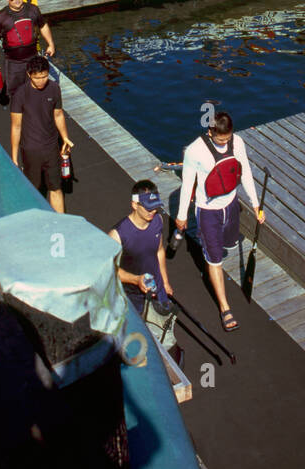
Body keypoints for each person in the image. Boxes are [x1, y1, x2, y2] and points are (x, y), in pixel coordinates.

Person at [174, 111, 265, 333]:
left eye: (227, 139)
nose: (225, 143)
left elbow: (244, 173)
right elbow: (187, 184)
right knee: (215, 259)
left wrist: (255, 205)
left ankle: (209, 251)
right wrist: (182, 214)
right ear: (210, 131)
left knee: (228, 246)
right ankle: (225, 307)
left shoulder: (238, 142)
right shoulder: (195, 150)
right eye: (220, 139)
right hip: (208, 211)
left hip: (231, 205)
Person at [109, 182, 175, 343]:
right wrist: (136, 280)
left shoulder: (158, 220)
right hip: (132, 299)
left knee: (163, 336)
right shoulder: (117, 235)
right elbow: (109, 271)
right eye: (148, 207)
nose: (153, 211)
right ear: (134, 204)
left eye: (155, 207)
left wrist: (165, 282)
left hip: (157, 291)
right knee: (137, 340)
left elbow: (159, 250)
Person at [9, 55, 73, 213]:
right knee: (33, 190)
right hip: (31, 149)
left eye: (44, 76)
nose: (41, 81)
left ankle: (60, 222)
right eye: (37, 78)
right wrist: (14, 157)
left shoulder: (54, 88)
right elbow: (16, 126)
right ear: (29, 75)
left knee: (56, 187)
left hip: (51, 147)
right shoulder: (20, 95)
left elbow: (58, 115)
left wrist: (65, 137)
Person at [0, 0, 54, 97]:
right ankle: (19, 112)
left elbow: (43, 26)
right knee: (15, 92)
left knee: (36, 89)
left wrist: (51, 44)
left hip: (33, 58)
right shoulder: (1, 16)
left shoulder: (33, 9)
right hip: (13, 62)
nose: (17, 0)